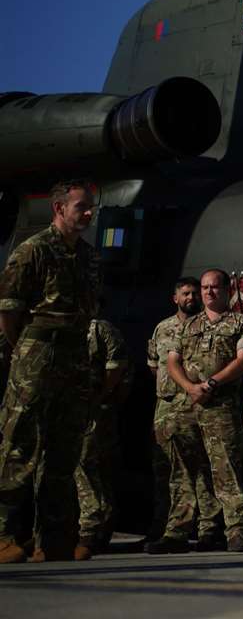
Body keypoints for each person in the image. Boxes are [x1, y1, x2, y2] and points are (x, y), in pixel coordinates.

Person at [0, 180, 99, 564]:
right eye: (81, 207)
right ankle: (6, 534)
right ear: (59, 209)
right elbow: (8, 311)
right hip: (37, 352)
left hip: (74, 355)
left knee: (64, 450)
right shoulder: (32, 251)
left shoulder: (89, 257)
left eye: (90, 207)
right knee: (18, 445)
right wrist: (25, 351)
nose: (88, 213)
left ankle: (53, 541)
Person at [166, 267, 243, 553]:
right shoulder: (187, 325)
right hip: (189, 405)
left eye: (214, 287)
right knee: (185, 471)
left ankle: (237, 530)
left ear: (226, 290)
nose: (208, 292)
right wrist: (190, 388)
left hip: (221, 406)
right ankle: (178, 532)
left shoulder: (240, 322)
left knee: (226, 468)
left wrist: (213, 382)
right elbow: (172, 361)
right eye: (204, 287)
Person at [145, 276, 209, 552]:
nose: (191, 298)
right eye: (186, 293)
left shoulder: (209, 325)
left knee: (205, 470)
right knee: (167, 471)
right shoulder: (163, 328)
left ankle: (208, 529)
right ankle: (165, 528)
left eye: (195, 293)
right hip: (168, 407)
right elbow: (154, 366)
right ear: (175, 298)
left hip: (199, 406)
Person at [76, 312, 128, 556]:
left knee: (84, 463)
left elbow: (117, 368)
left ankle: (90, 528)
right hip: (69, 409)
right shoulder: (69, 326)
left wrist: (99, 398)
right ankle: (97, 526)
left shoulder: (100, 329)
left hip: (94, 410)